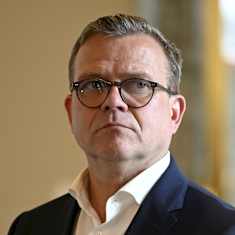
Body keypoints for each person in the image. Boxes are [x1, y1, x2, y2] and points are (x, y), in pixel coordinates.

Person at [7, 14, 235, 235]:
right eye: (94, 85)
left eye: (138, 84)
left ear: (174, 114)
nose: (113, 102)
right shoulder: (30, 227)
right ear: (70, 112)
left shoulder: (223, 228)